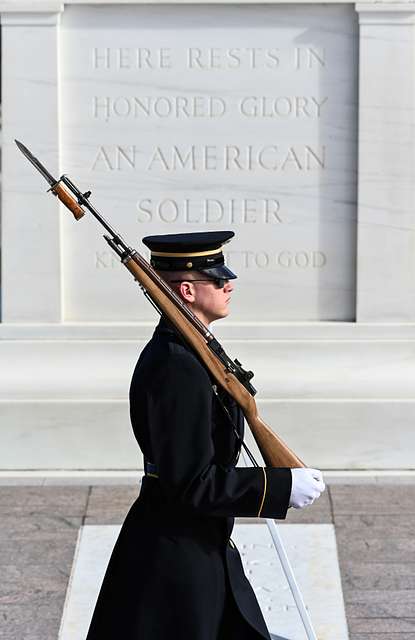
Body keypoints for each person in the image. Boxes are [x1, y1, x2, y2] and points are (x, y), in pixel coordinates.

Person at [86, 230, 325, 640]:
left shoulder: (194, 353)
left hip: (200, 546)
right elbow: (190, 482)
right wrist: (277, 486)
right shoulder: (176, 366)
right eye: (217, 279)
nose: (228, 284)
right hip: (174, 565)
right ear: (187, 291)